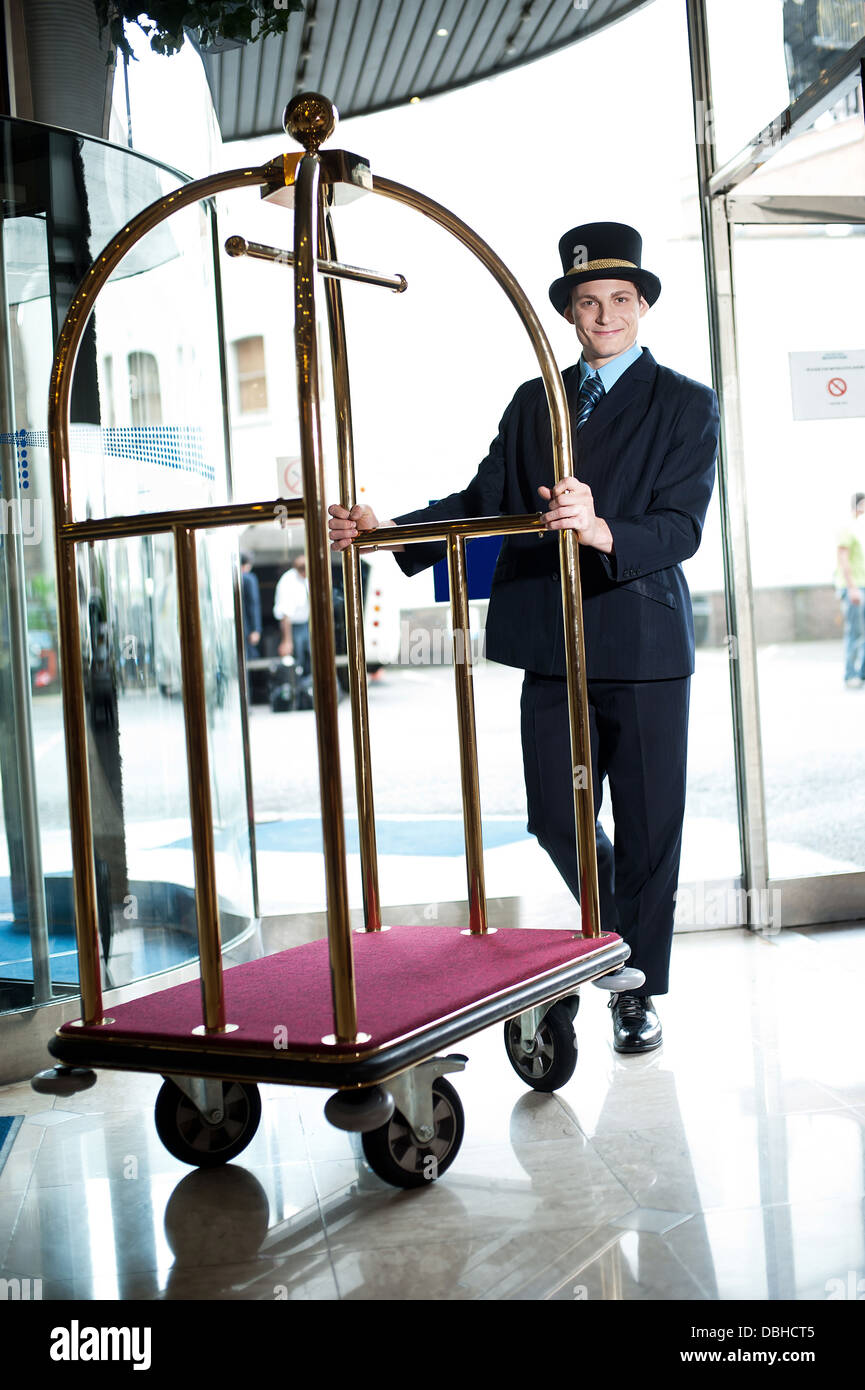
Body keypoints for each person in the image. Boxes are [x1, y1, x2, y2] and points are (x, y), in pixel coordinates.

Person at [328, 222, 720, 1054]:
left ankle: (636, 989)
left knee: (650, 832)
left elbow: (682, 524)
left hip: (643, 646)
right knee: (554, 817)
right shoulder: (533, 399)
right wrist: (390, 529)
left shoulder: (686, 402)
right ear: (570, 314)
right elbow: (482, 500)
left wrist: (602, 527)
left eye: (620, 299)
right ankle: (618, 946)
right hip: (553, 642)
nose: (604, 314)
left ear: (642, 306)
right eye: (588, 302)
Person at [835, 492, 865, 690]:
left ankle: (861, 672)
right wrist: (852, 588)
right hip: (855, 588)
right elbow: (843, 560)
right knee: (855, 632)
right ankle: (850, 673)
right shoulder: (848, 529)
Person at [273, 553, 311, 677]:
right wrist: (287, 641)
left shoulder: (306, 579)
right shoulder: (288, 581)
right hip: (293, 627)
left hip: (306, 624)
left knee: (310, 659)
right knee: (296, 662)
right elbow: (285, 615)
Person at [239, 551, 261, 701]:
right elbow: (253, 604)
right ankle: (247, 700)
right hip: (246, 627)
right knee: (245, 664)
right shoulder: (248, 578)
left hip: (236, 628)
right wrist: (256, 629)